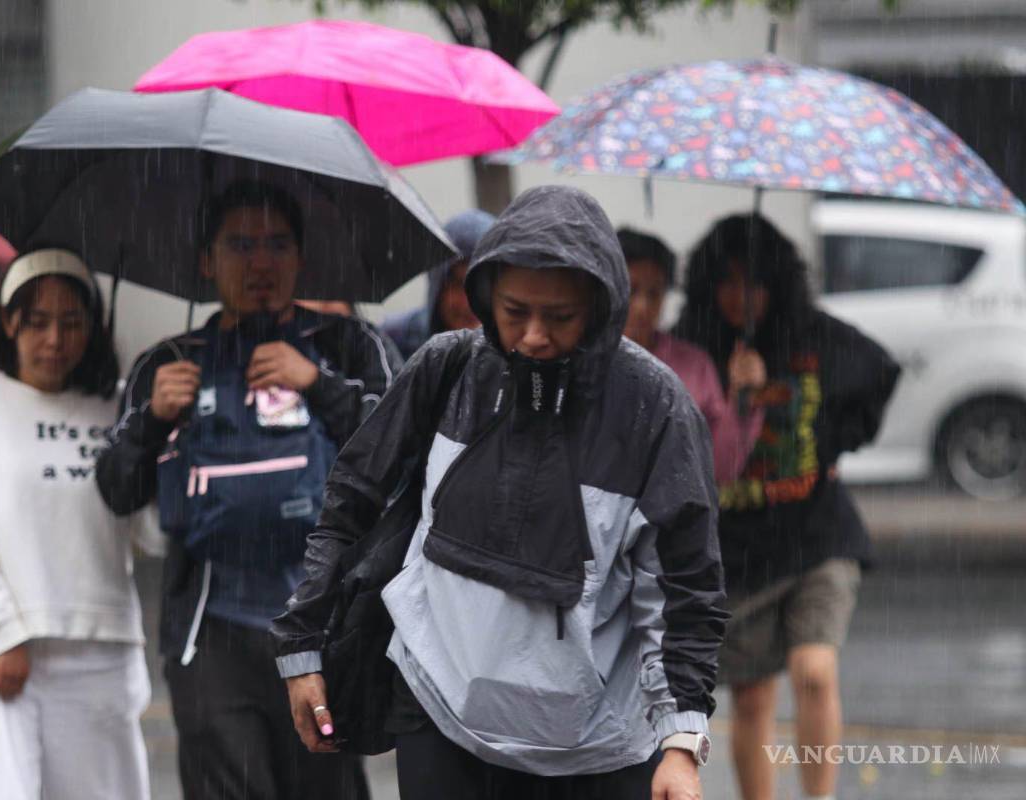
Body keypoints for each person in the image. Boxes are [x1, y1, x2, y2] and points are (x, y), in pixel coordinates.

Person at [275, 186, 729, 800]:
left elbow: (683, 590)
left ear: (600, 307)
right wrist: (303, 649)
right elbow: (352, 499)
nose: (534, 336)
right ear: (484, 297)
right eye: (515, 311)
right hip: (438, 715)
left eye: (560, 317)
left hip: (598, 747)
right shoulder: (446, 368)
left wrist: (680, 743)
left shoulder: (655, 408)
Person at [96, 181, 396, 800]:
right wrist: (154, 418)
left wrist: (318, 384)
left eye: (277, 244)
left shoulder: (348, 346)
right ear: (206, 261)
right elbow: (116, 488)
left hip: (327, 627)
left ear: (300, 256)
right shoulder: (169, 362)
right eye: (240, 244)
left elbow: (401, 456)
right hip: (211, 633)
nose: (260, 261)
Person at [673, 215, 900, 800]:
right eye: (726, 282)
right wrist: (730, 393)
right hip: (737, 548)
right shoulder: (692, 347)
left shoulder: (812, 337)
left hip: (817, 534)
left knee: (814, 672)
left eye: (753, 282)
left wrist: (832, 444)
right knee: (751, 698)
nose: (739, 297)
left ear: (778, 284)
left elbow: (881, 374)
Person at [0, 249, 150, 800]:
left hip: (101, 650)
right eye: (38, 322)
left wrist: (162, 433)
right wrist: (4, 634)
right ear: (7, 321)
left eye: (71, 323)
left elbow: (151, 534)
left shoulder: (119, 409)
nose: (54, 340)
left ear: (92, 328)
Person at [618, 226, 766, 483]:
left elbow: (720, 468)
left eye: (654, 293)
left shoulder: (694, 365)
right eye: (631, 290)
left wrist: (744, 400)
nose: (642, 306)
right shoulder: (587, 360)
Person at [381, 208, 494, 358]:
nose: (468, 304)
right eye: (458, 285)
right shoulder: (393, 342)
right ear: (437, 286)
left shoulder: (522, 353)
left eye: (481, 286)